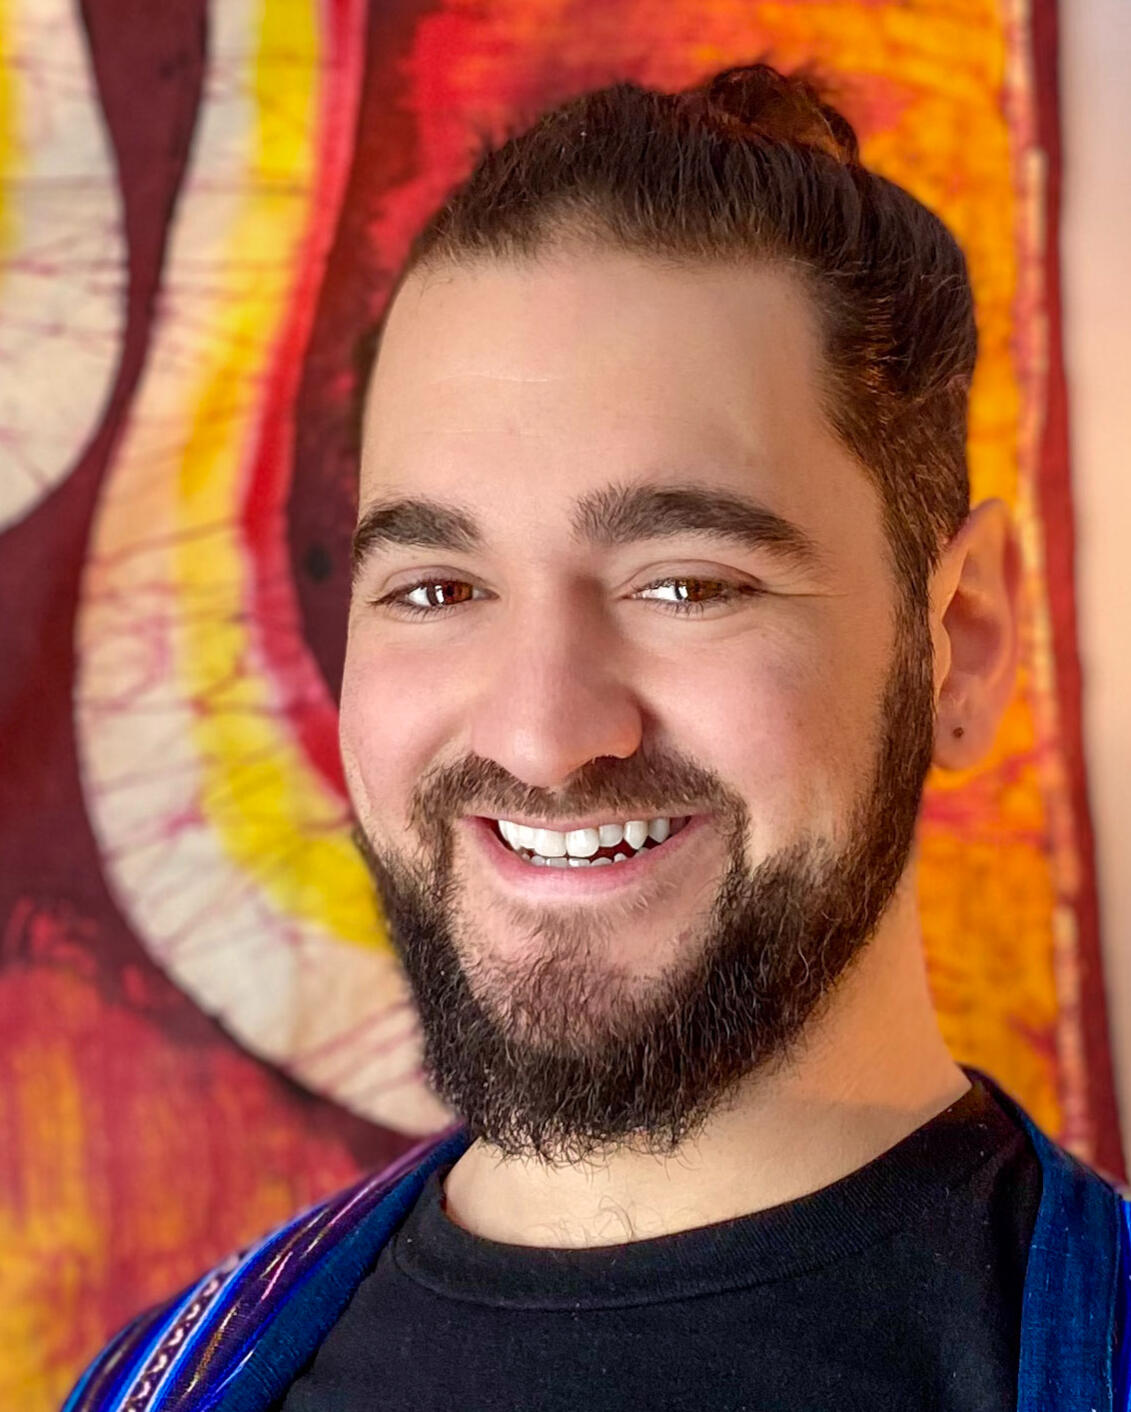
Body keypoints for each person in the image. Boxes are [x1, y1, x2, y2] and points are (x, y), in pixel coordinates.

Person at [64, 61, 1130, 1412]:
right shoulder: (153, 1382)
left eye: (683, 584)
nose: (543, 735)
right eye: (437, 589)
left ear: (960, 641)